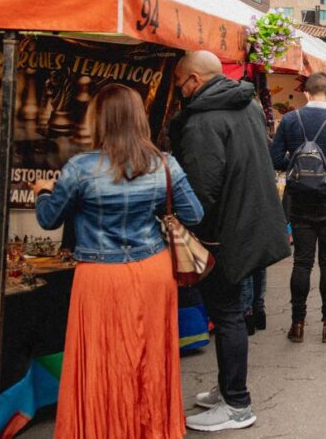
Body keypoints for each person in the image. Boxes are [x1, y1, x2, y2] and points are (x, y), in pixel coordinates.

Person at [33, 84, 204, 438]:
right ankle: (149, 428)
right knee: (149, 355)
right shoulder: (164, 163)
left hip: (100, 276)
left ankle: (102, 429)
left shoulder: (80, 168)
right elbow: (194, 213)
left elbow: (49, 219)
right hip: (153, 270)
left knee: (101, 360)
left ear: (99, 119)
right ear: (139, 118)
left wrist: (42, 193)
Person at [170, 51, 291, 432]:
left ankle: (237, 403)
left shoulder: (202, 121)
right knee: (231, 313)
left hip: (224, 232)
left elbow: (201, 190)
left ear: (192, 80)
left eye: (177, 81)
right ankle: (228, 389)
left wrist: (188, 227)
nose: (176, 89)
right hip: (250, 221)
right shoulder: (247, 104)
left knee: (226, 315)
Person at [271, 72, 326, 344]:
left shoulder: (289, 120)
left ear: (307, 94)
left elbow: (276, 158)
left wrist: (299, 167)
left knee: (301, 262)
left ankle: (297, 324)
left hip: (299, 200)